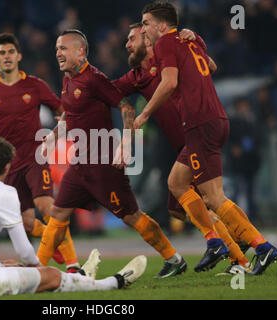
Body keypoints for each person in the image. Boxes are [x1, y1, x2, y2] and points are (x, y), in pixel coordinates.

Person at [137, 1, 277, 275]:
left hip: (200, 123)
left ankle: (262, 246)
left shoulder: (167, 43)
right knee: (177, 182)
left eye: (146, 23)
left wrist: (144, 115)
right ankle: (216, 241)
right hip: (212, 120)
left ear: (162, 25)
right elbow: (210, 66)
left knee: (213, 196)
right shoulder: (189, 40)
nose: (143, 28)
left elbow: (169, 83)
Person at [37, 29, 185, 278]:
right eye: (56, 49)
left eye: (63, 48)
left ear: (80, 51)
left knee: (131, 216)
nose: (58, 54)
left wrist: (126, 142)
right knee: (58, 213)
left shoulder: (95, 79)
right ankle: (36, 269)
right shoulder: (67, 79)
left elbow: (125, 106)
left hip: (104, 166)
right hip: (80, 165)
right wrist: (52, 136)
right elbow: (69, 116)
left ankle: (174, 258)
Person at [113, 23, 251, 274]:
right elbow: (109, 92)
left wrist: (193, 35)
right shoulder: (136, 77)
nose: (127, 45)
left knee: (210, 199)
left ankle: (239, 249)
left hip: (197, 135)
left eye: (132, 38)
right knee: (182, 208)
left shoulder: (170, 57)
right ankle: (234, 242)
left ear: (148, 40)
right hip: (176, 145)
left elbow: (209, 65)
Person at [0, 137, 147, 297]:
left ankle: (78, 276)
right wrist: (38, 268)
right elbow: (24, 250)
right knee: (52, 276)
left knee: (10, 265)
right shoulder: (4, 191)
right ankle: (113, 282)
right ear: (7, 166)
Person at [0, 33, 79, 271]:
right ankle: (56, 243)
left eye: (11, 52)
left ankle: (74, 265)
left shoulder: (35, 85)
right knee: (28, 223)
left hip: (35, 158)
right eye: (2, 53)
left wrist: (57, 131)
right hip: (7, 166)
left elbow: (64, 110)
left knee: (47, 207)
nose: (7, 56)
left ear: (18, 56)